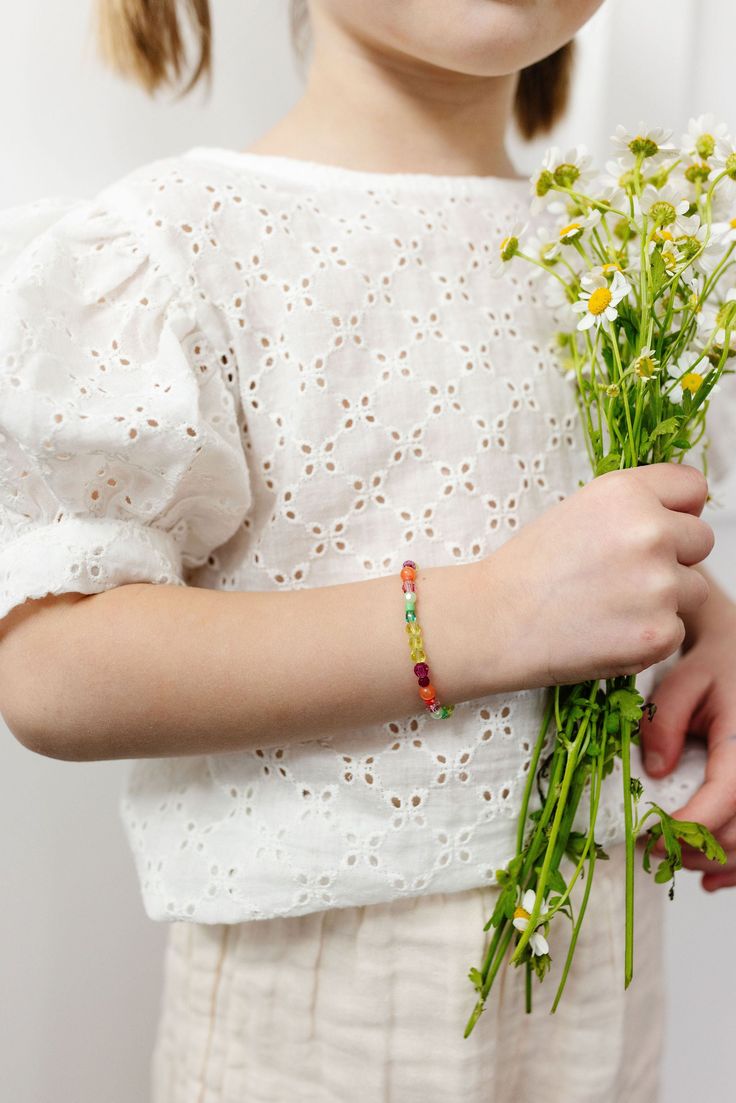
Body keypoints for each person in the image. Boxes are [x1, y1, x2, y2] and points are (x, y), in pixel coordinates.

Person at [1, 1, 735, 1100]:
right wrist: (489, 617)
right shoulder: (175, 244)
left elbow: (577, 540)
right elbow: (53, 665)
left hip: (591, 1013)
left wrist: (691, 618)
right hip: (310, 1026)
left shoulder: (624, 261)